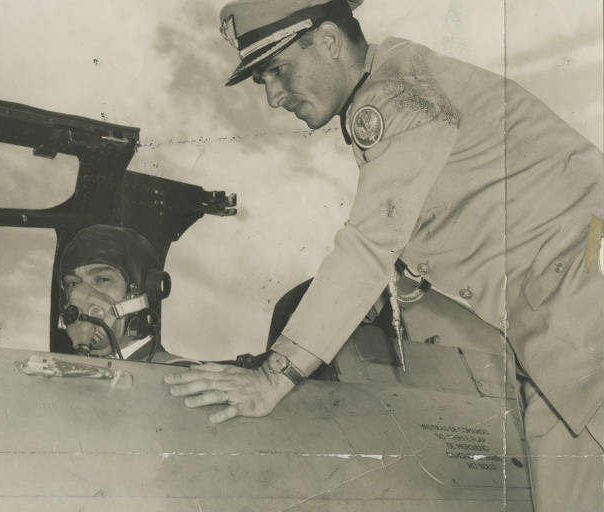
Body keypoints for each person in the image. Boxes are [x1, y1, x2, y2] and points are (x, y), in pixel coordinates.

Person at [163, 1, 604, 509]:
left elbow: (370, 242)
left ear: (328, 41)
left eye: (277, 71)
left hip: (582, 304)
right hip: (557, 327)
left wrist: (274, 375)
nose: (273, 97)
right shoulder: (402, 83)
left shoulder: (393, 96)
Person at [59, 224, 173, 362]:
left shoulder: (177, 375)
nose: (78, 295)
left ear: (142, 292)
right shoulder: (62, 376)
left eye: (103, 279)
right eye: (72, 284)